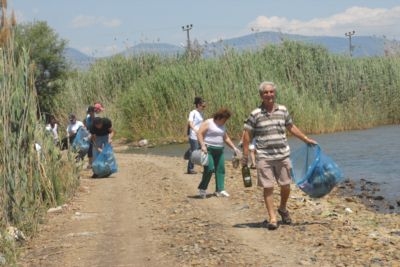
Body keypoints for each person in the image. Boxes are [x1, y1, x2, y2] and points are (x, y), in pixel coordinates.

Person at [242, 81, 317, 230]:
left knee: (285, 185)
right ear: (261, 95)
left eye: (271, 92)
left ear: (274, 93)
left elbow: (291, 127)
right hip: (264, 156)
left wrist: (306, 139)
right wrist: (245, 156)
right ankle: (273, 218)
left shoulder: (283, 110)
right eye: (265, 93)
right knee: (268, 187)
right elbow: (246, 135)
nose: (269, 95)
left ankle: (282, 208)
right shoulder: (255, 113)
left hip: (283, 154)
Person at [197, 108, 240, 198]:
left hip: (219, 150)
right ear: (219, 117)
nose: (225, 121)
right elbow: (199, 133)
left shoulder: (222, 126)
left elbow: (226, 138)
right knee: (209, 169)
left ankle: (220, 190)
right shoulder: (209, 122)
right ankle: (202, 188)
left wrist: (234, 148)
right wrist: (202, 145)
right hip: (208, 149)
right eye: (225, 119)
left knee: (220, 169)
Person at [186, 96, 206, 174]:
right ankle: (190, 169)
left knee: (204, 150)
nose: (204, 107)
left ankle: (207, 168)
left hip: (200, 136)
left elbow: (202, 124)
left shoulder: (201, 113)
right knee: (194, 152)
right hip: (193, 136)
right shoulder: (193, 113)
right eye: (203, 106)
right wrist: (195, 130)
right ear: (198, 105)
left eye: (204, 106)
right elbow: (190, 123)